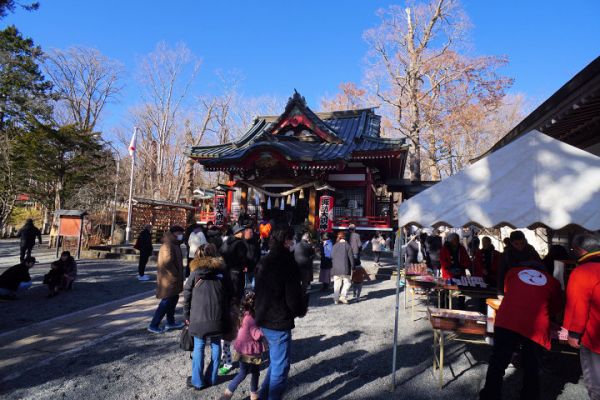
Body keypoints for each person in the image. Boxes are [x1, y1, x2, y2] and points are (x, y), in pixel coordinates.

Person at [479, 260, 562, 400]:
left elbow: (508, 291)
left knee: (498, 362)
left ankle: (490, 395)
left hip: (507, 319)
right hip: (535, 325)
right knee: (532, 366)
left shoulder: (513, 272)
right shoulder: (553, 282)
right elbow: (556, 307)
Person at [254, 225, 308, 400]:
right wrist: (301, 308)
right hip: (278, 319)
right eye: (292, 239)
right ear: (286, 241)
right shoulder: (287, 263)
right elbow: (293, 298)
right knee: (281, 366)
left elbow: (256, 290)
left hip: (263, 316)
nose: (293, 242)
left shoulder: (264, 260)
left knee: (275, 362)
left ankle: (263, 395)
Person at [183, 243, 232, 391]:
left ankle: (197, 381)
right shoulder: (222, 273)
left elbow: (187, 295)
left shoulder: (195, 274)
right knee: (216, 345)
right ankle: (212, 378)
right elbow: (230, 294)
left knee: (199, 347)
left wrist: (186, 315)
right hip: (218, 317)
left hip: (198, 318)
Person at [563, 233, 600, 400]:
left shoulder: (583, 272)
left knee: (596, 384)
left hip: (595, 339)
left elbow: (577, 306)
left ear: (579, 250)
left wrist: (574, 333)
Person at [219, 291, 265, 400]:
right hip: (251, 352)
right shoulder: (251, 320)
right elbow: (257, 335)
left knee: (242, 373)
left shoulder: (243, 315)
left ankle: (227, 393)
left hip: (241, 350)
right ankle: (253, 394)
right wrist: (264, 329)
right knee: (255, 373)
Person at [148, 225, 186, 333]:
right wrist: (175, 273)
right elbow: (167, 262)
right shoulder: (168, 245)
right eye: (179, 233)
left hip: (173, 278)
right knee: (166, 301)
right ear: (174, 233)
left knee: (173, 299)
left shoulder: (175, 244)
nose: (181, 235)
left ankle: (171, 322)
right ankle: (153, 324)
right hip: (169, 279)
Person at [497, 230, 541, 295]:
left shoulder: (531, 251)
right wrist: (500, 292)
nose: (520, 246)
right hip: (513, 285)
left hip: (531, 285)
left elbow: (540, 267)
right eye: (516, 244)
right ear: (511, 243)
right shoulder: (507, 254)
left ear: (525, 241)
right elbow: (501, 273)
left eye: (522, 243)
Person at [331, 231, 355, 305]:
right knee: (347, 283)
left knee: (336, 284)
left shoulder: (334, 246)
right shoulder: (347, 245)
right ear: (345, 237)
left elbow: (331, 256)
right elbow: (351, 258)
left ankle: (336, 299)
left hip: (335, 268)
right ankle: (343, 296)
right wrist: (353, 267)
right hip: (345, 268)